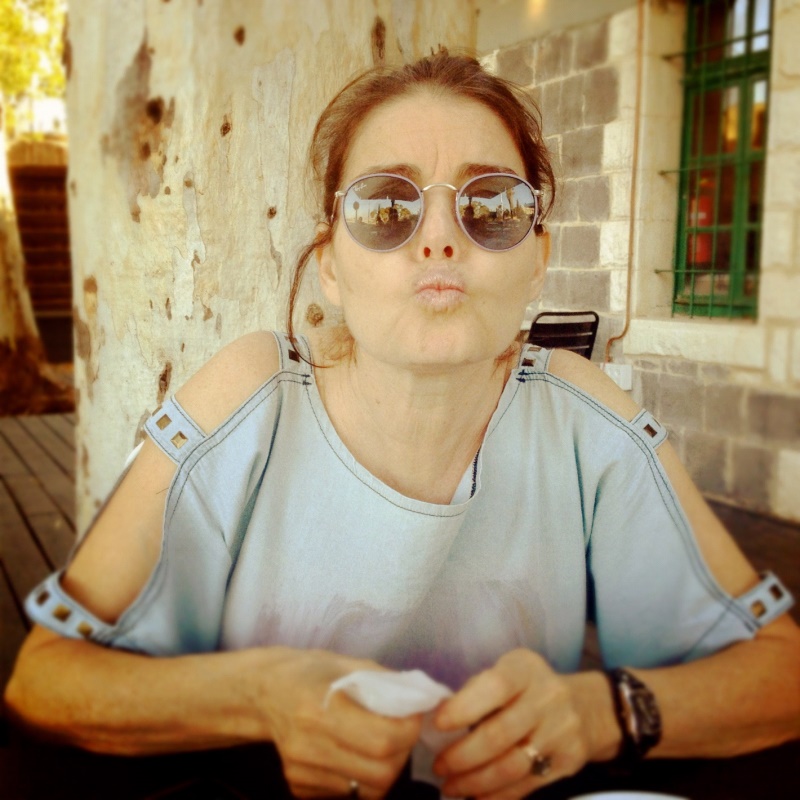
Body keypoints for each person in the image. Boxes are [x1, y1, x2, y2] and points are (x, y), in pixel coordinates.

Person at [5, 51, 800, 800]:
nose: (440, 237)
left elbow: (780, 672)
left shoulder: (579, 419)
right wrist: (262, 695)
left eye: (491, 205)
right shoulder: (252, 401)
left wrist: (602, 712)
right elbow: (45, 679)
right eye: (387, 206)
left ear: (537, 259)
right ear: (330, 266)